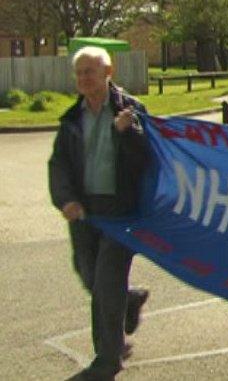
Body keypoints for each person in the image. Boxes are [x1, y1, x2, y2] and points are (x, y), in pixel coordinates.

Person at [48, 47, 151, 380]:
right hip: (84, 212)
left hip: (121, 213)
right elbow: (59, 165)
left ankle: (107, 358)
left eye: (89, 71)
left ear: (108, 72)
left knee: (106, 284)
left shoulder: (131, 111)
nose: (82, 79)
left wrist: (129, 133)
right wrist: (65, 200)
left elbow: (148, 162)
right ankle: (130, 300)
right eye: (78, 73)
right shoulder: (71, 119)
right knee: (88, 273)